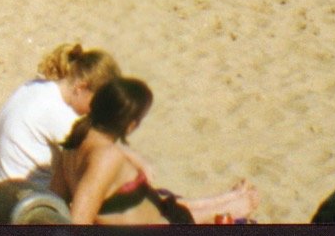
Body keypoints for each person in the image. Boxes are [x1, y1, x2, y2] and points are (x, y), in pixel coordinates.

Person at [52, 79, 260, 225]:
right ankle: (230, 204)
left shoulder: (75, 142)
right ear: (130, 126)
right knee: (243, 205)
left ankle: (227, 200)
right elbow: (78, 221)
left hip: (163, 214)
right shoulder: (106, 157)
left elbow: (56, 198)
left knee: (177, 204)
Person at [0, 45, 122, 184]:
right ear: (80, 88)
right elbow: (98, 159)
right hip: (24, 199)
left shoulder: (36, 86)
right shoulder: (62, 116)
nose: (96, 111)